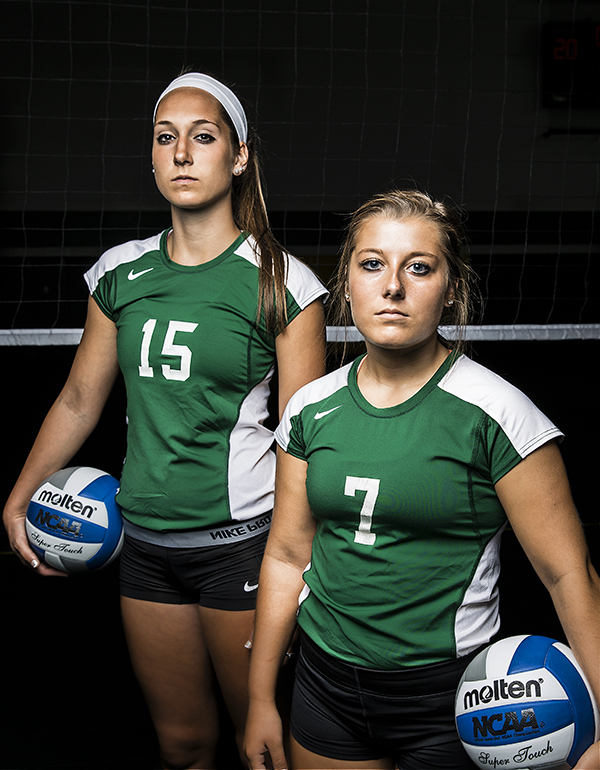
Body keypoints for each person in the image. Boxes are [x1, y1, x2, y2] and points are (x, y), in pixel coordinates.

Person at [3, 72, 327, 770]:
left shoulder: (283, 281)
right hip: (143, 547)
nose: (182, 153)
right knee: (181, 747)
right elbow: (79, 399)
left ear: (238, 157)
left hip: (242, 546)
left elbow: (309, 439)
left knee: (266, 749)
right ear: (151, 156)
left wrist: (297, 563)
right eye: (165, 137)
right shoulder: (119, 274)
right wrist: (20, 492)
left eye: (203, 137)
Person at [244, 189, 599, 770]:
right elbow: (286, 555)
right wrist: (260, 699)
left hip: (453, 698)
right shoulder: (310, 409)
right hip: (325, 688)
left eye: (418, 267)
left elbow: (567, 575)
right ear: (348, 281)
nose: (392, 287)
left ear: (451, 287)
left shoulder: (498, 414)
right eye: (372, 264)